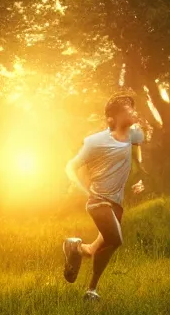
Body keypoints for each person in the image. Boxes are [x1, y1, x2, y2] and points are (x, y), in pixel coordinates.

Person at [62, 93, 147, 301]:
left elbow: (139, 162)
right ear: (112, 119)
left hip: (116, 204)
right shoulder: (95, 142)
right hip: (98, 201)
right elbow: (71, 166)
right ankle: (91, 289)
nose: (132, 112)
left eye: (131, 108)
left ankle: (76, 250)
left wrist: (140, 178)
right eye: (126, 110)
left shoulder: (135, 135)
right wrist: (83, 188)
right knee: (115, 239)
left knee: (94, 250)